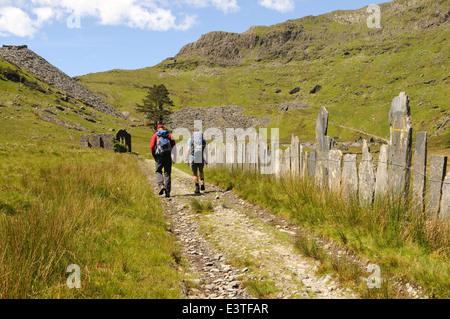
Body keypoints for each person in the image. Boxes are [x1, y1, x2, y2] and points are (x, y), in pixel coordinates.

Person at [150, 124, 176, 198]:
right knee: (167, 173)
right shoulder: (169, 135)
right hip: (168, 156)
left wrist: (154, 156)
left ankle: (161, 185)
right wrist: (174, 158)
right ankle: (168, 192)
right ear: (163, 128)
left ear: (157, 129)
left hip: (159, 156)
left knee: (158, 171)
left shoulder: (155, 135)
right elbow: (174, 147)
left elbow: (152, 146)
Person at [185, 129, 208, 194]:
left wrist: (187, 159)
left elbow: (188, 149)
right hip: (201, 157)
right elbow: (206, 150)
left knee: (195, 173)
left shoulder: (190, 139)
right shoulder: (203, 140)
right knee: (201, 171)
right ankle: (202, 182)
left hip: (193, 157)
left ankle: (197, 188)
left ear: (192, 132)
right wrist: (206, 159)